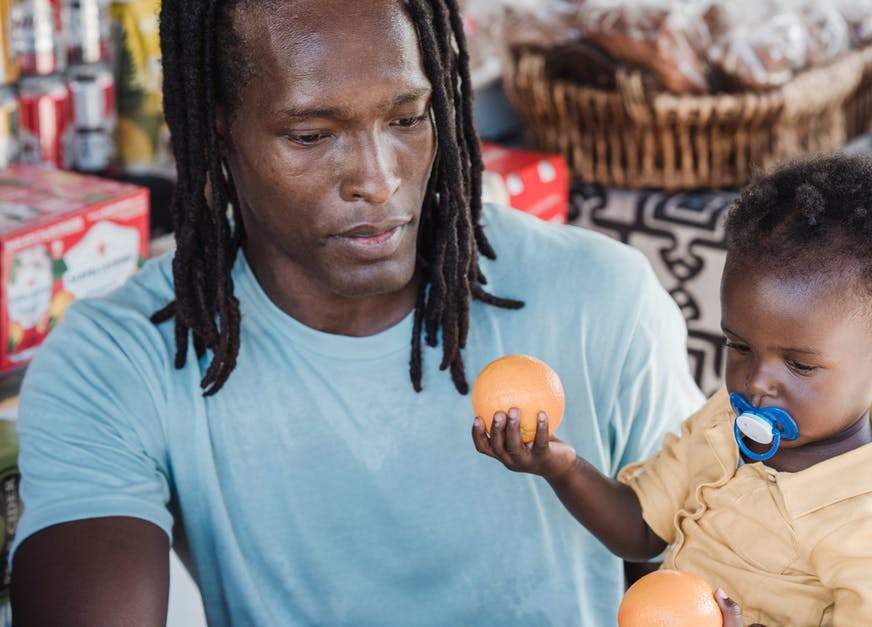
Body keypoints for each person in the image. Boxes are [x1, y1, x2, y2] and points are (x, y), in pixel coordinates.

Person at [10, 1, 703, 625]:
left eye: (405, 119)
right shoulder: (115, 361)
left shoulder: (599, 296)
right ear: (220, 133)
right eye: (311, 135)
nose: (377, 179)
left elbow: (703, 565)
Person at [475, 153, 872, 626]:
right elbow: (641, 532)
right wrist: (559, 466)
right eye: (740, 346)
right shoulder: (724, 423)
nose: (757, 381)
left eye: (799, 364)